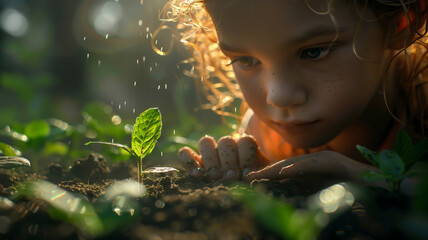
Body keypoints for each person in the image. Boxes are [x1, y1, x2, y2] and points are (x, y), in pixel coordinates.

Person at [163, 0, 428, 193]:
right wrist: (254, 171)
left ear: (401, 22)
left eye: (313, 52)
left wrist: (357, 176)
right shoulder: (266, 139)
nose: (278, 97)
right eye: (246, 60)